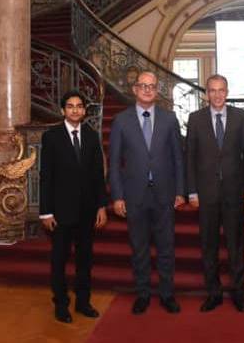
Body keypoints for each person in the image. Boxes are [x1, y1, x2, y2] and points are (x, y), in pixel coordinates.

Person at [109, 71, 185, 315]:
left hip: (164, 194)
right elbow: (114, 163)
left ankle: (167, 294)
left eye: (152, 86)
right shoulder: (121, 121)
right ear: (135, 89)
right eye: (143, 85)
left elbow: (178, 158)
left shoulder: (169, 119)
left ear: (157, 90)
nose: (147, 90)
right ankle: (142, 294)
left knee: (166, 248)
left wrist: (180, 191)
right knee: (139, 248)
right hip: (134, 196)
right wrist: (117, 196)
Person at [185, 74, 244, 313]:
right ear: (206, 94)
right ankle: (213, 294)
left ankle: (238, 293)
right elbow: (189, 157)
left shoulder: (240, 117)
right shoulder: (195, 119)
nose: (217, 94)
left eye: (221, 90)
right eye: (212, 90)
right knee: (209, 246)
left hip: (235, 192)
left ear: (227, 92)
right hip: (206, 194)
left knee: (236, 246)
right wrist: (191, 191)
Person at [39, 91, 109, 323]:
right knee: (59, 260)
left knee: (84, 261)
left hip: (87, 211)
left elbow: (98, 175)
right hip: (60, 213)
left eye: (79, 106)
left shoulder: (91, 136)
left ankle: (83, 302)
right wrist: (46, 212)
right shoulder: (51, 137)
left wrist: (101, 206)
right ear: (63, 110)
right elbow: (46, 176)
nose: (75, 110)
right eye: (70, 106)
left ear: (84, 110)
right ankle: (61, 304)